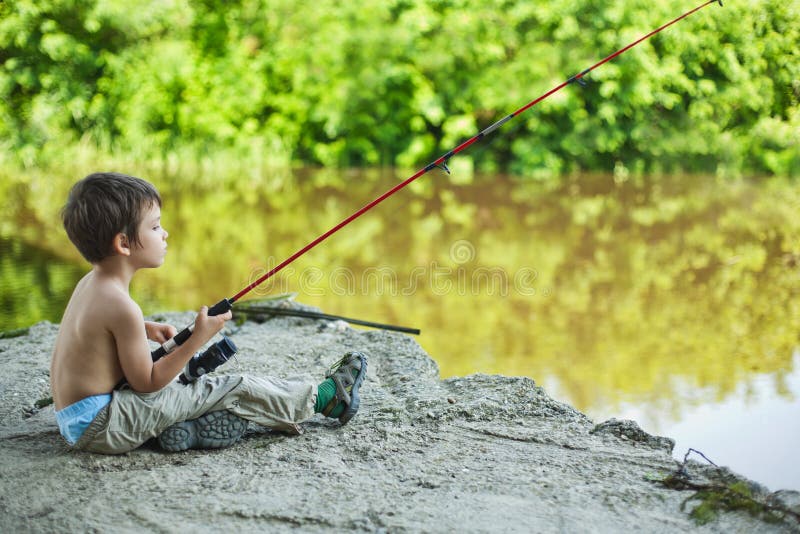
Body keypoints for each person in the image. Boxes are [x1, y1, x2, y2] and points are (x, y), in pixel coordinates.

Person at [50, 172, 367, 454]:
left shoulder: (91, 283)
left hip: (77, 419)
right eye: (156, 226)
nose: (165, 234)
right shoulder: (122, 307)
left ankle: (188, 429)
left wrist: (143, 328)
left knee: (185, 385)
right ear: (123, 243)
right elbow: (147, 381)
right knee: (233, 387)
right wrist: (197, 338)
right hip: (104, 428)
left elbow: (93, 331)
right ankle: (325, 399)